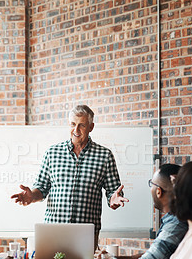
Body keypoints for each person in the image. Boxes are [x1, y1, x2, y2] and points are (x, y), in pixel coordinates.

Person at [11, 105, 129, 248]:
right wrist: (31, 196)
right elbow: (41, 188)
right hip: (54, 230)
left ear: (91, 127)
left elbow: (113, 191)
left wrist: (113, 199)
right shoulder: (52, 153)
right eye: (73, 124)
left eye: (82, 125)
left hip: (86, 233)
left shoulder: (104, 156)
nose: (76, 130)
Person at [97, 164, 188, 259]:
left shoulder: (175, 225)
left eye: (152, 184)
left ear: (158, 191)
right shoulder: (173, 219)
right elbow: (151, 255)